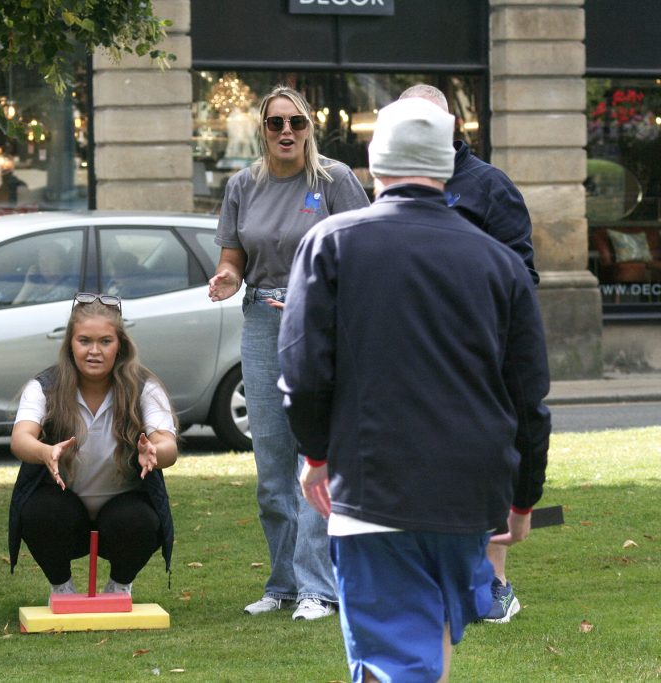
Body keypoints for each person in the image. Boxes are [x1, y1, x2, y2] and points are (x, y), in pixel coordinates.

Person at [280, 97, 551, 682]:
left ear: (374, 165)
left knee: (394, 660)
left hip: (373, 484)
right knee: (431, 644)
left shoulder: (330, 243)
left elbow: (303, 372)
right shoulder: (500, 264)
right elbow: (529, 397)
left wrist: (316, 456)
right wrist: (522, 498)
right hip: (468, 490)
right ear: (447, 165)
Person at [208, 85, 370, 620]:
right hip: (260, 321)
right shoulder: (242, 185)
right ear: (262, 129)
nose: (286, 133)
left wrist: (323, 298)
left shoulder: (335, 181)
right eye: (275, 123)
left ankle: (317, 589)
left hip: (319, 326)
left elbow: (365, 252)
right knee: (270, 463)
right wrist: (227, 278)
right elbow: (234, 259)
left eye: (296, 123)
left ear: (309, 129)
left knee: (314, 458)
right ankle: (281, 583)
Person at [400, 83, 538, 623]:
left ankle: (495, 583)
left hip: (479, 354)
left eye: (430, 122)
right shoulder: (395, 187)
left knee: (484, 462)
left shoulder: (488, 186)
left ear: (453, 124)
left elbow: (521, 276)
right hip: (414, 356)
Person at [8, 294, 177, 599]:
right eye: (84, 341)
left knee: (139, 520)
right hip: (64, 512)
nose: (94, 351)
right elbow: (21, 439)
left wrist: (154, 452)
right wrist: (44, 452)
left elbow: (168, 445)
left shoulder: (145, 387)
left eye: (105, 341)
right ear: (70, 344)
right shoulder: (44, 386)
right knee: (39, 511)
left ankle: (119, 585)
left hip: (122, 515)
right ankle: (61, 588)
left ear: (120, 345)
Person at [14, 244, 79, 304]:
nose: (44, 264)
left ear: (61, 261)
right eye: (41, 260)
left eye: (49, 259)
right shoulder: (38, 285)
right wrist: (27, 287)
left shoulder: (66, 290)